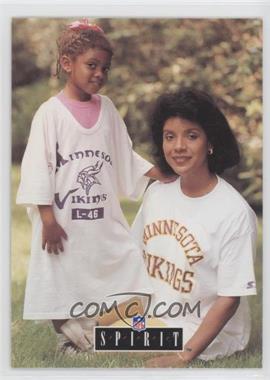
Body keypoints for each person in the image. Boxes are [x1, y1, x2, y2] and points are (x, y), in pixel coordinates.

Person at [16, 19, 169, 355]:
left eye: (105, 67)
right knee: (61, 282)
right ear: (67, 63)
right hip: (63, 224)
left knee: (137, 282)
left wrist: (160, 175)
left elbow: (124, 157)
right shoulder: (50, 114)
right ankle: (68, 338)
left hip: (102, 221)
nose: (99, 73)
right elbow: (37, 167)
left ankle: (87, 336)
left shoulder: (108, 109)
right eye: (92, 65)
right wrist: (47, 220)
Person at [131, 88, 257, 367]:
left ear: (210, 142)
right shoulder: (157, 193)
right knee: (90, 319)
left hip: (203, 329)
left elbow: (229, 298)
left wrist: (182, 357)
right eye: (169, 136)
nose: (178, 146)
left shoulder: (234, 213)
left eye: (191, 135)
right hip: (157, 315)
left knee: (102, 340)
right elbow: (133, 258)